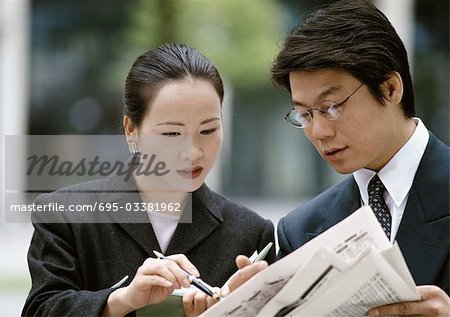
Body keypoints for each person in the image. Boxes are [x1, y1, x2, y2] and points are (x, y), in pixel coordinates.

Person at [22, 43, 275, 317]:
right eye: (171, 134)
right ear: (131, 129)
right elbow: (40, 310)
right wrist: (121, 301)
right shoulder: (66, 215)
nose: (193, 152)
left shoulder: (250, 233)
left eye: (208, 129)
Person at [270, 0, 449, 316]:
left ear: (390, 88)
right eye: (304, 114)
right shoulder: (299, 231)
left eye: (332, 107)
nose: (320, 131)